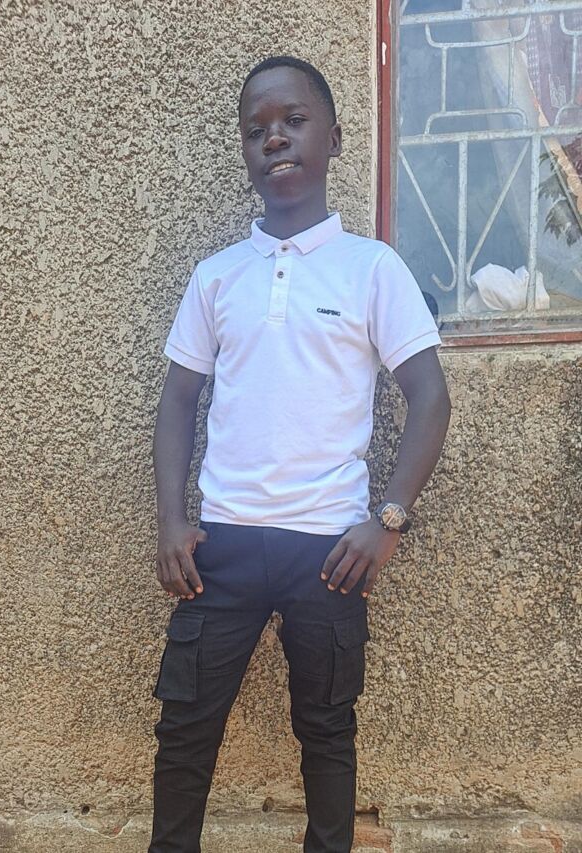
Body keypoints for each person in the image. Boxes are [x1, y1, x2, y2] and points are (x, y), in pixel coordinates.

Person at [148, 55, 451, 853]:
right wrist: (172, 521)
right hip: (222, 546)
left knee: (327, 729)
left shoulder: (372, 269)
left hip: (329, 551)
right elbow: (178, 401)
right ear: (246, 152)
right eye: (257, 130)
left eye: (293, 120)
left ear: (335, 139)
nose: (275, 137)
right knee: (185, 728)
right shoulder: (217, 278)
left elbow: (430, 397)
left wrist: (387, 519)